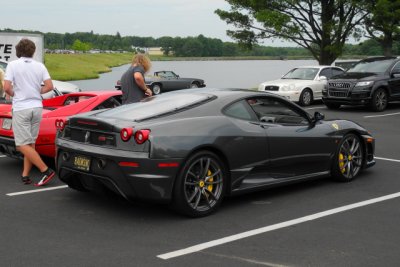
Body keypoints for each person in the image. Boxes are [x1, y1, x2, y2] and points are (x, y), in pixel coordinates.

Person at [3, 38, 56, 186]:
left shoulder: (13, 65)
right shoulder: (40, 66)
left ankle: (45, 170)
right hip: (37, 107)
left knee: (21, 145)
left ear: (18, 51)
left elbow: (7, 88)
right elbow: (50, 86)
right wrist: (37, 91)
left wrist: (16, 94)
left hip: (21, 108)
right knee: (30, 143)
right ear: (33, 51)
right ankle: (25, 175)